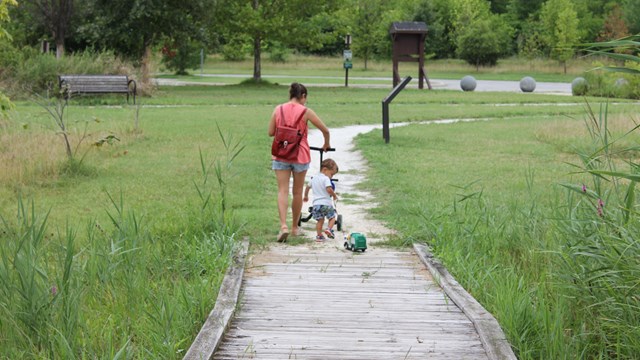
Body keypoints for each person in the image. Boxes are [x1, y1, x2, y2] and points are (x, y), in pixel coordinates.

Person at [268, 82, 331, 242]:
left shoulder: (278, 109)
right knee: (297, 192)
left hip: (281, 154)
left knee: (282, 190)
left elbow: (270, 132)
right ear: (303, 96)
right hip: (300, 156)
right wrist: (326, 144)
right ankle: (295, 228)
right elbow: (325, 130)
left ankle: (283, 226)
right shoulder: (306, 112)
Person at [303, 159, 339, 242]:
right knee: (332, 218)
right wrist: (334, 196)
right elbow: (329, 189)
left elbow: (307, 187)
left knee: (320, 220)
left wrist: (305, 196)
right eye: (331, 174)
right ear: (325, 170)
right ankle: (329, 229)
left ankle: (319, 236)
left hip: (316, 205)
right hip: (326, 204)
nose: (331, 177)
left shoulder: (313, 178)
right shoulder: (326, 179)